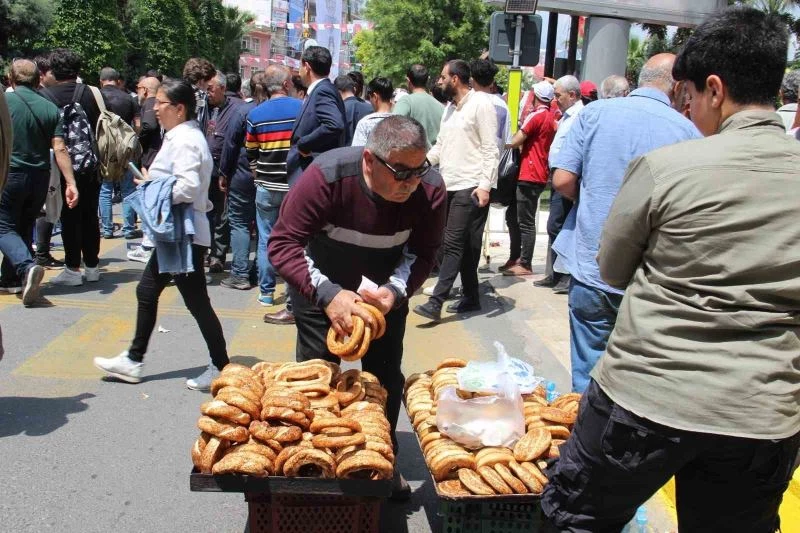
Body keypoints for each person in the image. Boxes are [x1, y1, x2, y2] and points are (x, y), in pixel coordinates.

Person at [541, 7, 800, 532]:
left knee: (576, 519)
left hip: (647, 400)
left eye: (689, 98)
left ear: (714, 88)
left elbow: (611, 269)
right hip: (763, 416)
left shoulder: (669, 168)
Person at [268, 115, 447, 499]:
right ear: (369, 160)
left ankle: (382, 462)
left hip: (382, 294)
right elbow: (283, 245)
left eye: (419, 170)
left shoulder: (429, 189)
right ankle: (312, 464)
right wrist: (329, 294)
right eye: (400, 172)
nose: (410, 183)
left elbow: (426, 253)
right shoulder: (327, 177)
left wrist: (394, 292)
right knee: (317, 377)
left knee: (384, 377)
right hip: (320, 286)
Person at [551, 54, 701, 393]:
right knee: (637, 378)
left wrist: (593, 201)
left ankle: (585, 435)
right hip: (650, 279)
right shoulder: (688, 131)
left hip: (593, 266)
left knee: (587, 371)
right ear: (678, 86)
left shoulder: (594, 113)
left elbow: (562, 180)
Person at [94, 79, 229, 391]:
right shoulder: (180, 136)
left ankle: (221, 365)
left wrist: (152, 187)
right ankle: (133, 359)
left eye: (161, 103)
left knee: (196, 301)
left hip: (184, 233)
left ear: (179, 109)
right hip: (178, 232)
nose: (154, 108)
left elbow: (189, 187)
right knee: (148, 291)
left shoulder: (186, 140)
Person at [413, 60, 499, 322]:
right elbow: (441, 146)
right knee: (468, 247)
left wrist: (485, 185)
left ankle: (436, 301)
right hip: (449, 184)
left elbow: (490, 149)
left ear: (456, 79)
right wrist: (420, 164)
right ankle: (471, 296)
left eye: (442, 77)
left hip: (471, 186)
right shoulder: (449, 109)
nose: (438, 81)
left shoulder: (481, 103)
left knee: (451, 242)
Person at [1, 59, 79, 304]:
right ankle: (11, 279)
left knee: (3, 225)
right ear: (38, 79)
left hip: (10, 174)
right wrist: (70, 183)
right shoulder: (49, 107)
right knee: (23, 225)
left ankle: (25, 267)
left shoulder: (5, 103)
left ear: (11, 78)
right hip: (40, 177)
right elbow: (60, 148)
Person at [40, 48, 107, 287]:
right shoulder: (92, 93)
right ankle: (92, 266)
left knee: (68, 216)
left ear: (53, 70)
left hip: (60, 166)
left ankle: (72, 268)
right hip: (91, 164)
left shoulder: (44, 95)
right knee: (90, 215)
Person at [244, 67, 302, 308]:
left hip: (266, 185)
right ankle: (292, 295)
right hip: (294, 185)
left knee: (266, 238)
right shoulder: (301, 109)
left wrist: (258, 173)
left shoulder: (256, 114)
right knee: (294, 241)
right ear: (287, 83)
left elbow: (251, 152)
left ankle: (266, 292)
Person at [218, 74, 271, 292]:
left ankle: (239, 273)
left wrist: (223, 173)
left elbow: (230, 145)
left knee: (239, 222)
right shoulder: (276, 110)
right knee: (263, 226)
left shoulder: (243, 111)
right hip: (269, 175)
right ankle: (259, 271)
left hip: (242, 174)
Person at [533, 75, 583, 294]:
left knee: (559, 225)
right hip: (558, 174)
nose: (555, 99)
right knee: (555, 224)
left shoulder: (580, 116)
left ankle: (565, 275)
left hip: (568, 177)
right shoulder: (566, 116)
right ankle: (556, 273)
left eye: (558, 95)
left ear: (572, 95)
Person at [501, 81, 557, 277]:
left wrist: (499, 142)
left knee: (525, 221)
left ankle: (525, 263)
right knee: (513, 217)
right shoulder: (550, 117)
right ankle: (516, 258)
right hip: (537, 173)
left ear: (535, 96)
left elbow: (516, 140)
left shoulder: (536, 116)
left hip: (529, 174)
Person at [285, 46, 346, 186]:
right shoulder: (322, 90)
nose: (299, 72)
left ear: (306, 66)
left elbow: (334, 124)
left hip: (313, 174)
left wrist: (304, 144)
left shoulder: (322, 91)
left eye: (300, 66)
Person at [98, 67, 141, 240]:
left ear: (101, 81)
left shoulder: (97, 97)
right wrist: (133, 139)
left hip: (104, 148)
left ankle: (107, 229)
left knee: (105, 188)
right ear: (118, 81)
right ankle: (129, 229)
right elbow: (137, 124)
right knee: (128, 188)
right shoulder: (129, 98)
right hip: (125, 147)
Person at [205, 70, 242, 274]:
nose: (207, 92)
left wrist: (225, 171)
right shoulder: (204, 108)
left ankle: (217, 255)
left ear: (223, 88)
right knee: (205, 213)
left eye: (211, 89)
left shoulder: (235, 108)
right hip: (204, 169)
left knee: (221, 215)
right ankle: (205, 251)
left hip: (223, 169)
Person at [393, 64, 444, 147]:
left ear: (408, 80)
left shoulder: (406, 101)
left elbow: (392, 126)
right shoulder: (440, 106)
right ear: (427, 80)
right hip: (435, 157)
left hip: (412, 157)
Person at [469, 58, 510, 151]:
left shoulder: (467, 101)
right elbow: (507, 142)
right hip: (494, 162)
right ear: (492, 82)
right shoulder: (503, 106)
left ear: (472, 80)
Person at [351, 77, 394, 146]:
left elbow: (357, 152)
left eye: (369, 97)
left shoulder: (365, 124)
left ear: (375, 97)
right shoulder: (401, 122)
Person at [335, 74, 372, 145]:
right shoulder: (370, 108)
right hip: (363, 153)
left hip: (342, 153)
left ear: (337, 92)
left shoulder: (336, 110)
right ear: (354, 89)